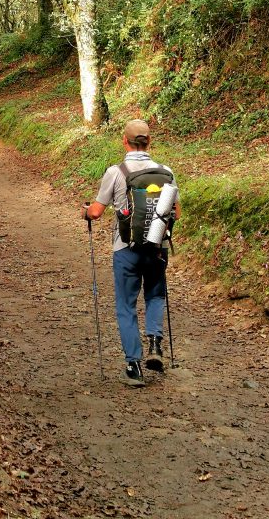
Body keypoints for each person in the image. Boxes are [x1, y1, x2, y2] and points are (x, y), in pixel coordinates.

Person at [81, 118, 179, 387]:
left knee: (126, 305)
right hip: (157, 248)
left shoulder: (116, 172)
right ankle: (156, 345)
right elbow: (176, 213)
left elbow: (97, 212)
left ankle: (133, 366)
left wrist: (85, 211)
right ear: (149, 141)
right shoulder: (166, 171)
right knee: (156, 294)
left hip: (126, 248)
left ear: (124, 141)